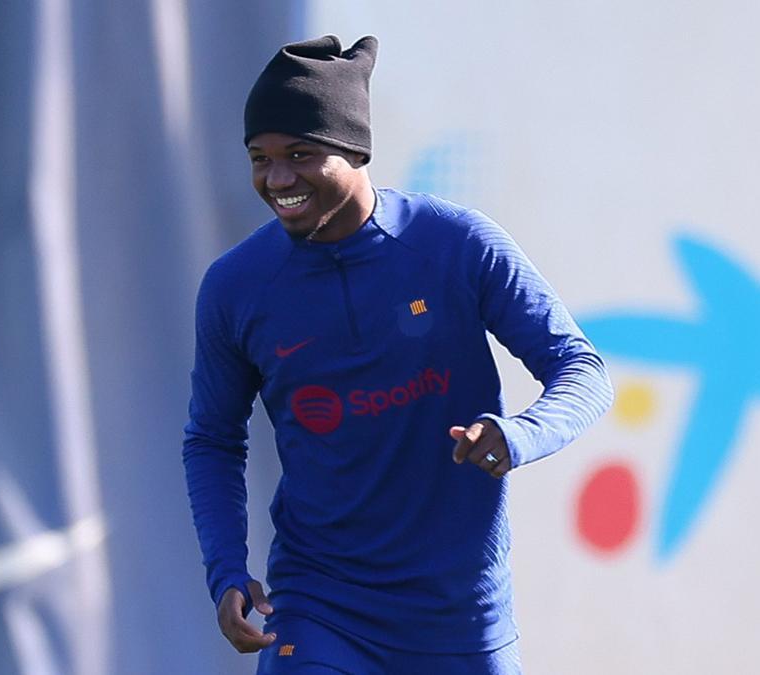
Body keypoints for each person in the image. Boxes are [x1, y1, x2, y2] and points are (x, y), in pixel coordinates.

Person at [182, 34, 613, 674]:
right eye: (259, 158)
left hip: (460, 614)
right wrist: (225, 571)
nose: (277, 180)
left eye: (300, 154)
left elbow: (581, 369)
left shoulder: (456, 245)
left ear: (355, 150)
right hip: (318, 606)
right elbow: (212, 439)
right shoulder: (235, 286)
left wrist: (519, 435)